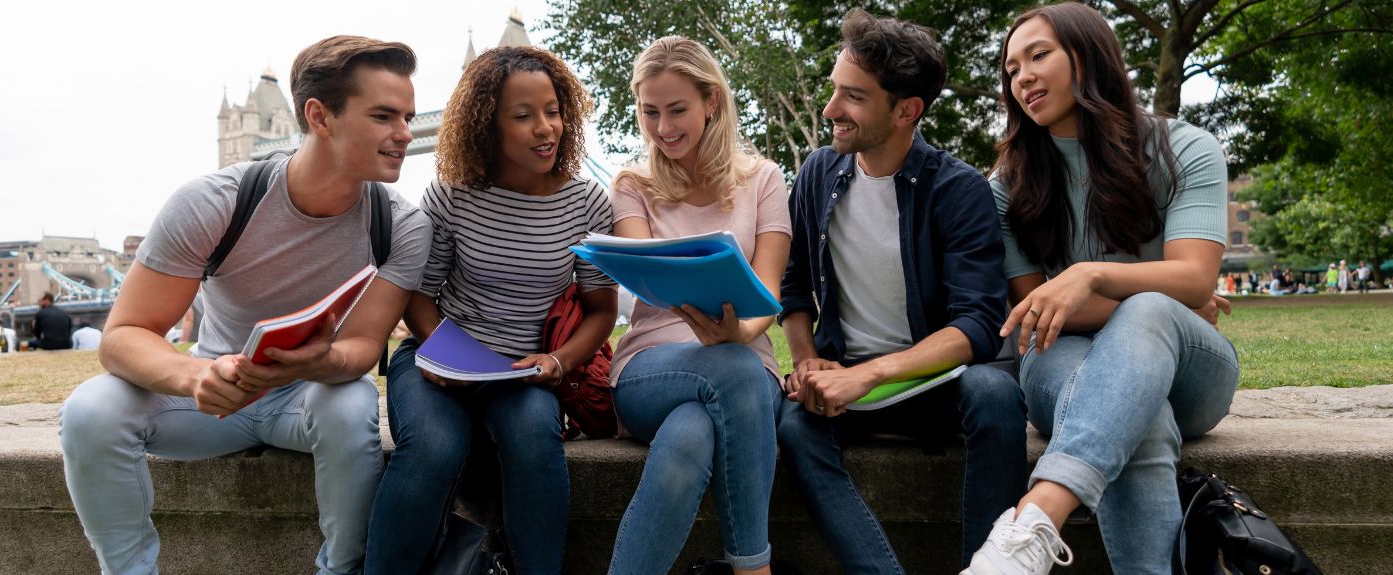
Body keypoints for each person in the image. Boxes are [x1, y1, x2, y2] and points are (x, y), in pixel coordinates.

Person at [59, 36, 432, 575]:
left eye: (409, 117)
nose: (405, 134)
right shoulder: (214, 202)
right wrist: (196, 377)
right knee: (90, 410)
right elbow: (123, 336)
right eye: (384, 116)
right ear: (319, 116)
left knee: (349, 404)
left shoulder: (401, 225)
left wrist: (322, 362)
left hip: (306, 400)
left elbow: (364, 344)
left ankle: (341, 569)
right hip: (209, 397)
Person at [966, 4, 1240, 573]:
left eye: (1038, 56)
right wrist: (1166, 296)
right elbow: (1036, 311)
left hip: (1192, 374)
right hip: (1058, 361)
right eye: (1012, 69)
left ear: (1088, 57)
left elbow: (1193, 277)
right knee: (1142, 410)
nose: (1023, 78)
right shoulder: (1008, 185)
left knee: (1151, 312)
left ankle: (1035, 518)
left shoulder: (1182, 148)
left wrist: (1087, 275)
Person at [777, 10, 1023, 573]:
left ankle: (989, 566)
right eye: (835, 89)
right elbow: (793, 286)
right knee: (795, 427)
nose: (830, 110)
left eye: (854, 98)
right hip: (847, 379)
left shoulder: (958, 189)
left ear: (907, 110)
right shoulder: (818, 173)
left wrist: (872, 373)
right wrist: (809, 361)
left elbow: (978, 326)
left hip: (936, 383)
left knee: (996, 395)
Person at [366, 45, 617, 575]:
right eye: (523, 117)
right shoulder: (452, 194)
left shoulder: (588, 202)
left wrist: (558, 362)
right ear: (488, 125)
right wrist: (447, 353)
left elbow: (600, 310)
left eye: (553, 111)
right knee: (434, 448)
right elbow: (419, 295)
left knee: (534, 440)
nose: (546, 128)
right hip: (438, 357)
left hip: (525, 372)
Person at [605, 36, 788, 575]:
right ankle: (754, 568)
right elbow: (648, 282)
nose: (663, 128)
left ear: (711, 101)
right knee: (731, 373)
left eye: (677, 109)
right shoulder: (631, 184)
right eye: (650, 112)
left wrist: (739, 331)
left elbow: (770, 295)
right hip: (650, 370)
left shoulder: (764, 180)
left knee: (692, 431)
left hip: (745, 364)